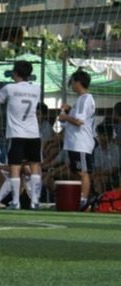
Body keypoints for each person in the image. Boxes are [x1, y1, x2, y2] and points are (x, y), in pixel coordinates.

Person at [0, 60, 43, 210]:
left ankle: (16, 201)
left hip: (16, 133)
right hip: (33, 133)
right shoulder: (37, 89)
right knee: (34, 165)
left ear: (15, 73)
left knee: (15, 166)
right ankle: (35, 201)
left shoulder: (9, 88)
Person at [58, 69, 96, 207]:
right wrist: (69, 109)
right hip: (75, 143)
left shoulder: (85, 99)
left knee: (82, 172)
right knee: (76, 171)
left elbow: (79, 121)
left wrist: (65, 117)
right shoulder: (81, 100)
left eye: (72, 82)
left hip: (81, 142)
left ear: (78, 82)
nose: (71, 85)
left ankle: (83, 200)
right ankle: (79, 198)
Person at [93, 124, 119, 193]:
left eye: (104, 135)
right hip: (103, 175)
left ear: (110, 137)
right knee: (89, 178)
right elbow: (97, 168)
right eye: (100, 135)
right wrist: (101, 174)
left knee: (98, 179)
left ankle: (100, 199)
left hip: (115, 176)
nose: (101, 138)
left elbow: (115, 169)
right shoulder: (97, 150)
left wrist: (101, 174)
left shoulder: (115, 148)